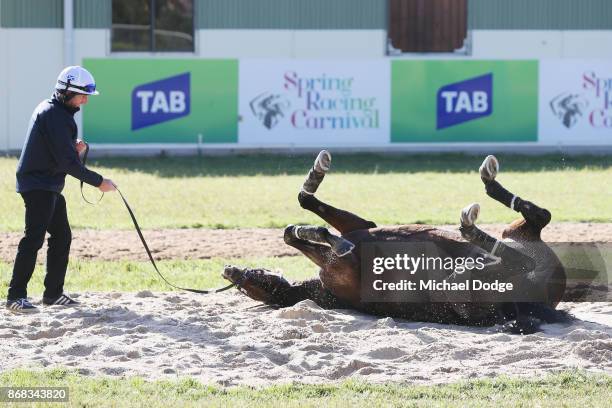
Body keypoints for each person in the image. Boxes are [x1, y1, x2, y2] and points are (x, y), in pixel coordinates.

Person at [6, 66, 116, 313]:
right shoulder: (58, 117)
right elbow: (67, 163)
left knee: (62, 236)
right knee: (33, 239)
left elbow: (57, 151)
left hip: (46, 185)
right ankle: (15, 297)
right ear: (67, 92)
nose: (85, 100)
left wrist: (71, 147)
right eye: (82, 94)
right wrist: (100, 182)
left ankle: (53, 294)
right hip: (39, 186)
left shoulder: (54, 110)